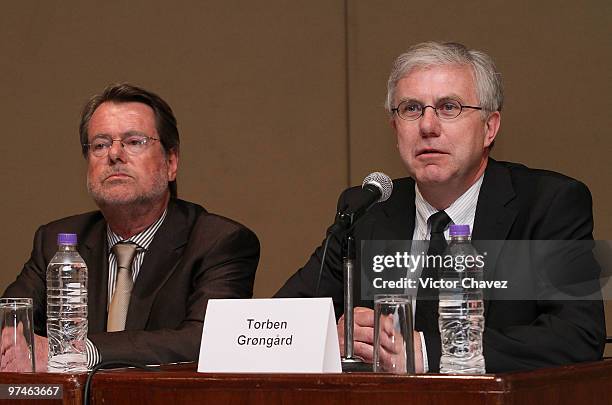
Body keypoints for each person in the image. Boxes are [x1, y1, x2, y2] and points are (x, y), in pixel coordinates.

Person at [275, 42, 606, 373]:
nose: (427, 126)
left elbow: (577, 335)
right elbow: (277, 327)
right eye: (411, 109)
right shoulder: (368, 209)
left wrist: (427, 352)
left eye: (449, 108)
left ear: (490, 127)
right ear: (395, 129)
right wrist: (330, 337)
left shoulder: (548, 204)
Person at [1, 83, 260, 371]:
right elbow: (12, 321)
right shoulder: (55, 242)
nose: (114, 154)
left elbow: (208, 339)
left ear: (171, 162)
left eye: (134, 142)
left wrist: (77, 351)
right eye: (100, 144)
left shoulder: (219, 242)